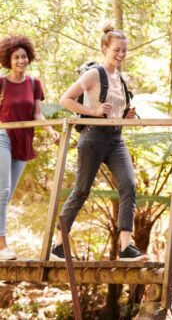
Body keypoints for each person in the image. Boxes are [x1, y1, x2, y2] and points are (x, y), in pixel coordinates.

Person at [51, 23, 147, 262]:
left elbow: (116, 112)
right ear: (105, 47)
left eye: (124, 50)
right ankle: (58, 245)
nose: (121, 54)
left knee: (129, 185)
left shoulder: (121, 79)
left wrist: (126, 116)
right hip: (93, 136)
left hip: (116, 138)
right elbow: (66, 99)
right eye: (117, 50)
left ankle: (125, 247)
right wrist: (92, 111)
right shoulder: (94, 73)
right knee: (82, 190)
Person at [0, 35, 60, 260]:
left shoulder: (34, 83)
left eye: (24, 56)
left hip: (24, 140)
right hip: (3, 136)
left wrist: (51, 131)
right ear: (9, 59)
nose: (21, 60)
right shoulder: (2, 83)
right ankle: (2, 245)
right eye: (16, 57)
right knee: (2, 190)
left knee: (6, 196)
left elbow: (36, 113)